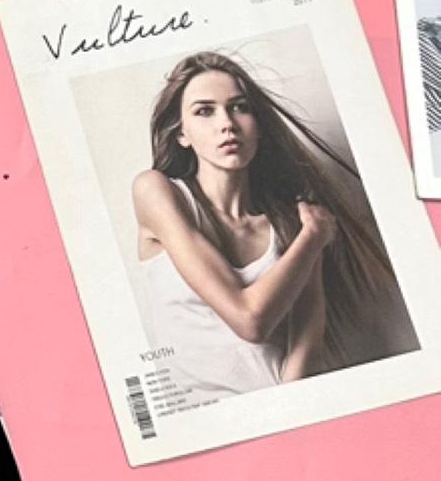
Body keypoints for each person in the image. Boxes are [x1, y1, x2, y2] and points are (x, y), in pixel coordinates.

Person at [131, 50, 414, 397]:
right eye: (204, 111)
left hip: (285, 409)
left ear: (259, 127)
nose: (227, 123)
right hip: (202, 416)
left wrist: (286, 413)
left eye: (239, 107)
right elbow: (250, 321)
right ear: (181, 134)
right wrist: (313, 238)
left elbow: (303, 356)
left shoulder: (290, 225)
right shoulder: (157, 192)